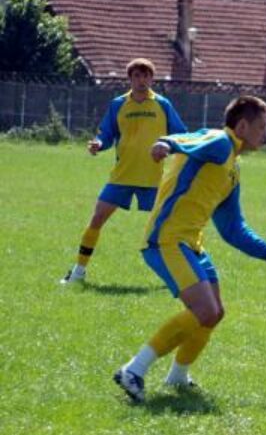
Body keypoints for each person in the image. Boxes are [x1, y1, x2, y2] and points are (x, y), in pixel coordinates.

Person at [112, 96, 266, 402]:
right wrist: (166, 143)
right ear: (242, 126)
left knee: (215, 313)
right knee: (204, 310)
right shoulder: (220, 141)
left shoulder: (232, 166)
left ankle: (177, 376)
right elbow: (190, 137)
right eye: (261, 126)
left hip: (191, 243)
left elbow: (233, 228)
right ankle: (133, 370)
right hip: (166, 239)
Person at [61, 58, 188, 284]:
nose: (142, 80)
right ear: (129, 79)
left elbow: (181, 134)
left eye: (146, 76)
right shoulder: (118, 104)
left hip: (153, 178)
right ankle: (78, 272)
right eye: (137, 76)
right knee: (97, 219)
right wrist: (99, 144)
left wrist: (168, 145)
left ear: (152, 78)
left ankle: (182, 275)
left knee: (170, 228)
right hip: (122, 176)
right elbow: (106, 134)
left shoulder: (163, 104)